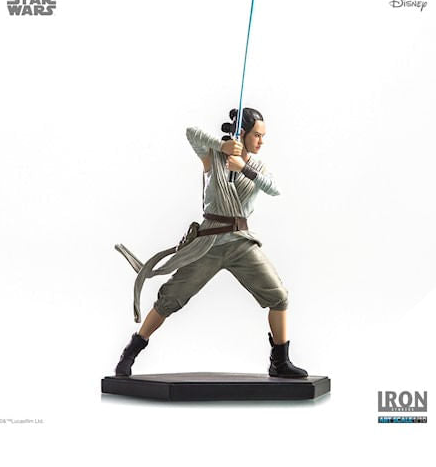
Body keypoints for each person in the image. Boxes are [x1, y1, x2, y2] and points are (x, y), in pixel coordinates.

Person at [114, 107, 308, 379]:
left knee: (279, 297)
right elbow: (191, 133)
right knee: (169, 299)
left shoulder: (257, 168)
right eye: (256, 135)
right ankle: (130, 352)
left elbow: (274, 189)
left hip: (241, 243)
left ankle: (280, 362)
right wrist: (222, 146)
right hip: (209, 242)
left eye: (263, 136)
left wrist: (244, 169)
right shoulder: (213, 158)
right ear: (242, 133)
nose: (261, 141)